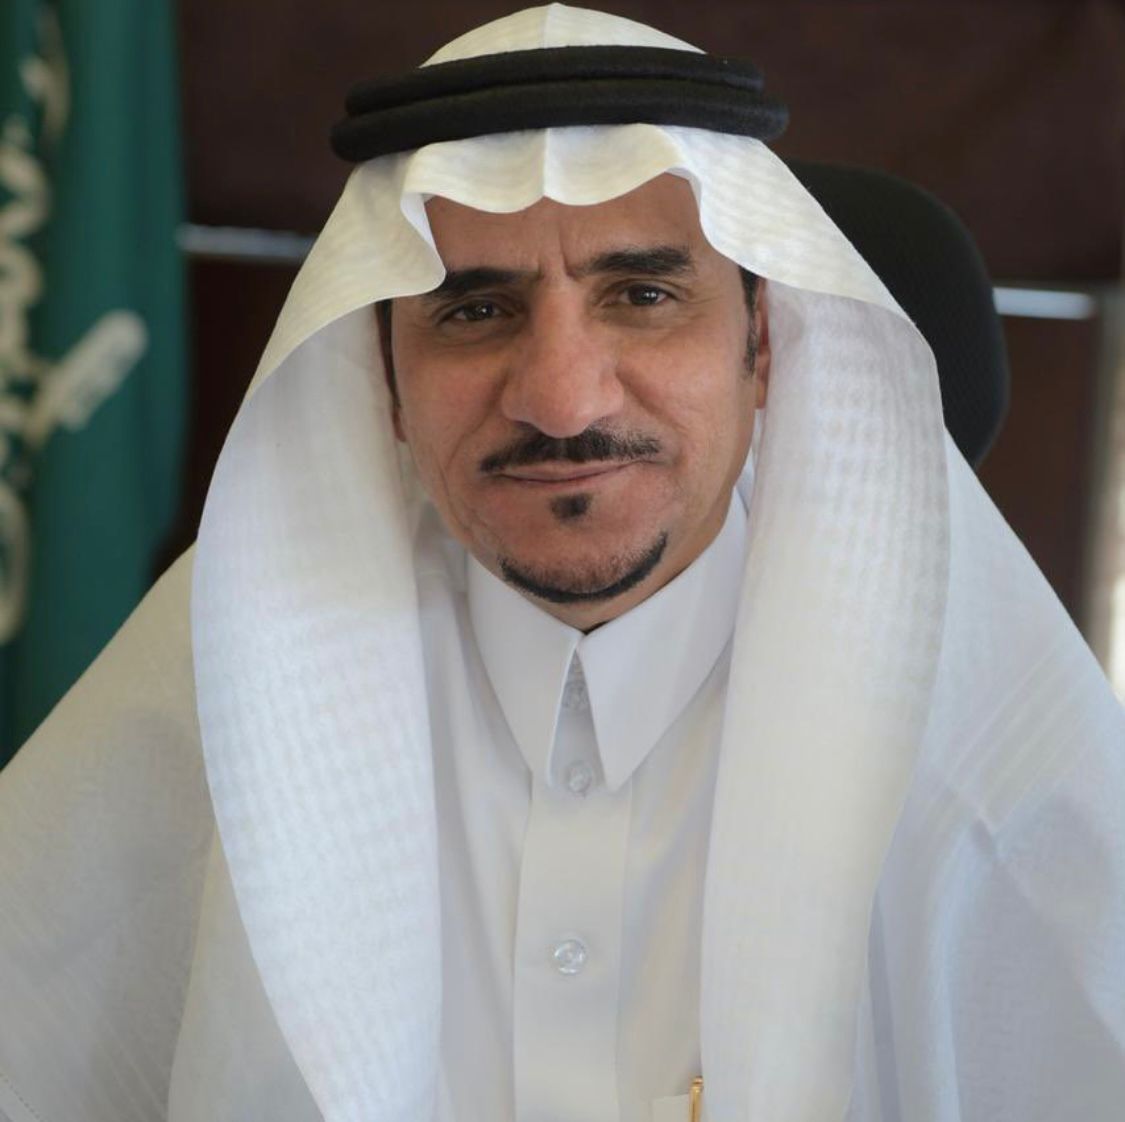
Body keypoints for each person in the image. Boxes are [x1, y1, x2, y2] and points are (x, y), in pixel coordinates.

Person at [1, 6, 1123, 1122]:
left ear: (762, 345)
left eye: (642, 297)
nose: (561, 398)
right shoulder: (235, 674)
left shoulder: (976, 754)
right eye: (476, 310)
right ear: (383, 380)